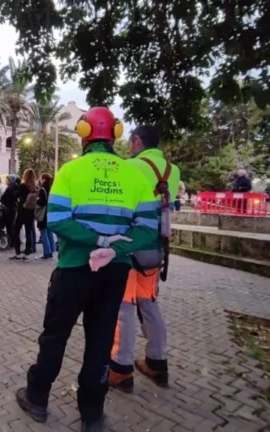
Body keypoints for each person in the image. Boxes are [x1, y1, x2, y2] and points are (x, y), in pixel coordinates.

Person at [16, 107, 161, 432]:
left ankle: (37, 398)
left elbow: (56, 221)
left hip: (72, 270)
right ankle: (92, 414)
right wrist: (115, 247)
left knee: (55, 336)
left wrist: (96, 239)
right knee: (99, 341)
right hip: (114, 275)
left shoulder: (70, 171)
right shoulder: (135, 176)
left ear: (83, 134)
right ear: (116, 135)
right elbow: (148, 228)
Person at [107, 125, 180, 395]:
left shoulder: (130, 167)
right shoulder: (173, 171)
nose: (128, 147)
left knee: (124, 307)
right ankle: (157, 362)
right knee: (149, 303)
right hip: (156, 249)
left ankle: (120, 368)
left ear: (138, 141)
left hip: (130, 246)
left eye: (130, 141)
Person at [12, 169, 39, 261]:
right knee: (28, 232)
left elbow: (15, 195)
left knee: (16, 230)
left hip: (22, 211)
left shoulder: (23, 186)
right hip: (31, 211)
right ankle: (27, 253)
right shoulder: (35, 187)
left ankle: (18, 252)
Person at [37, 173, 54, 260]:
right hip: (49, 212)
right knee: (49, 232)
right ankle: (51, 250)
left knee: (43, 232)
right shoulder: (51, 188)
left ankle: (47, 253)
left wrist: (37, 200)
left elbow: (42, 202)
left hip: (43, 214)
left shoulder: (42, 189)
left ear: (43, 179)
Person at [0, 175, 19, 251]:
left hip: (9, 209)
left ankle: (11, 242)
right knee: (10, 226)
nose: (6, 181)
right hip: (11, 209)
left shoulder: (10, 188)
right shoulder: (13, 187)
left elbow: (5, 198)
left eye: (7, 179)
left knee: (9, 227)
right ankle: (12, 242)